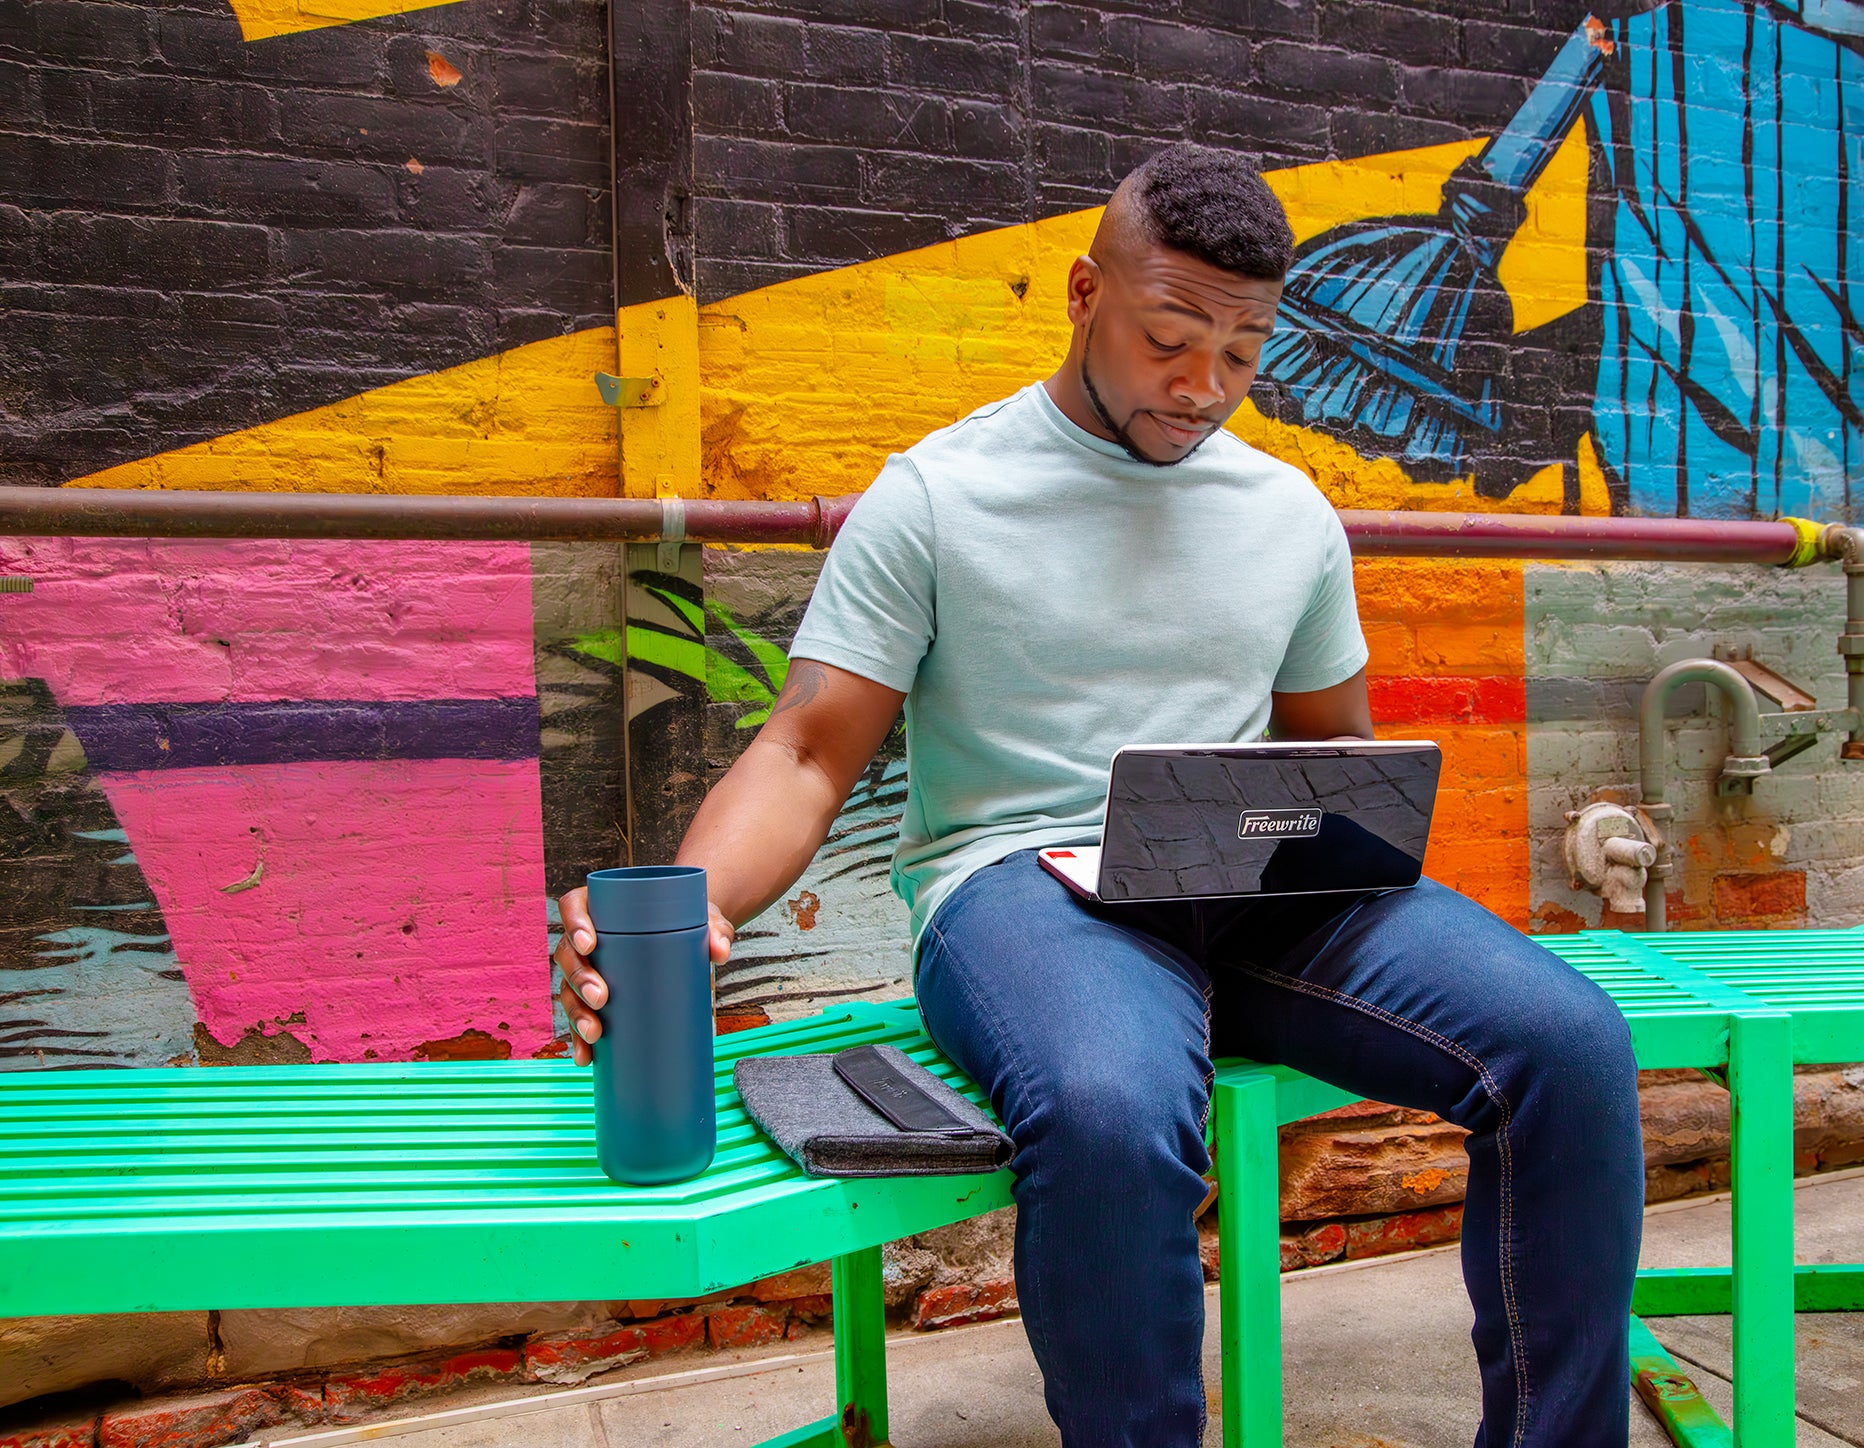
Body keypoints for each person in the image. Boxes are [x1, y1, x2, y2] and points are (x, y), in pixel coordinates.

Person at [553, 143, 1644, 1448]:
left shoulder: (1287, 514)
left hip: (1243, 875)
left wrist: (1309, 832)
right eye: (1169, 338)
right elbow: (803, 751)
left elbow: (1334, 762)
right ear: (1083, 292)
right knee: (1113, 1114)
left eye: (1242, 354)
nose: (1204, 388)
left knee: (1572, 1047)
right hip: (1017, 889)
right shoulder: (940, 497)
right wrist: (692, 904)